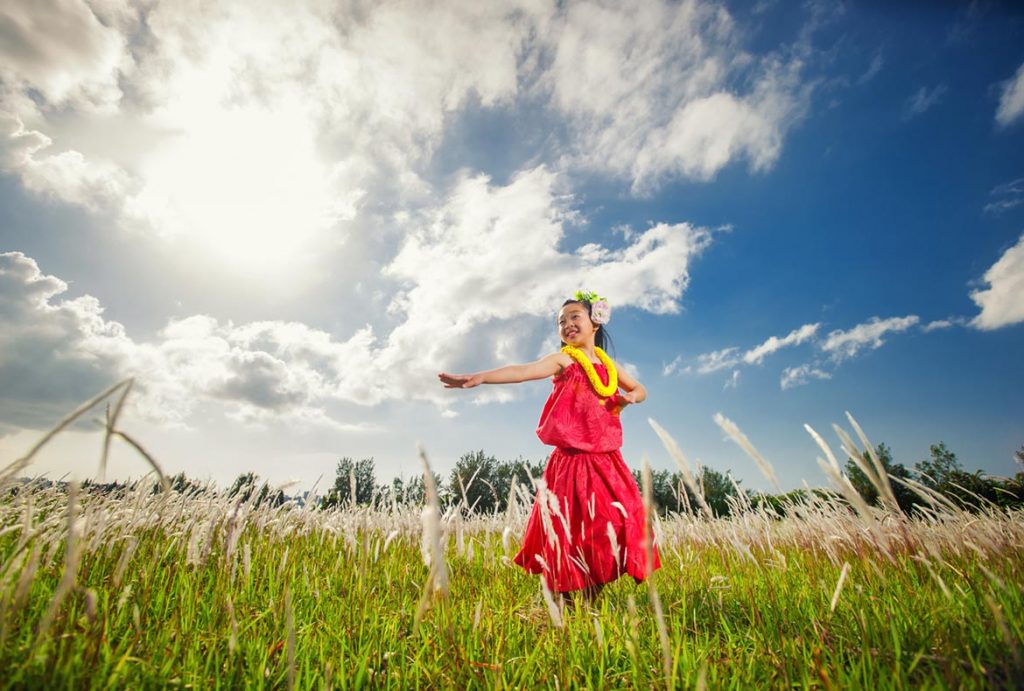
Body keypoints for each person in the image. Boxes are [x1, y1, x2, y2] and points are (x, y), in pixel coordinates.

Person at [438, 292, 659, 605]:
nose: (567, 324)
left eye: (574, 317)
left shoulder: (609, 367)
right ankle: (565, 597)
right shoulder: (563, 360)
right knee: (570, 529)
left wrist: (631, 397)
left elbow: (640, 388)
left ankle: (592, 595)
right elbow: (523, 370)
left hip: (608, 461)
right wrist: (482, 377)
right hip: (571, 461)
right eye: (561, 321)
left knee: (618, 520)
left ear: (595, 322)